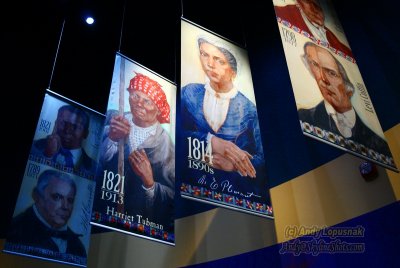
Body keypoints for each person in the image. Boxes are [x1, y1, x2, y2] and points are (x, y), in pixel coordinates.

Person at [181, 36, 267, 198]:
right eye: (204, 54)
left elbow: (263, 160)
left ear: (233, 72)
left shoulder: (250, 110)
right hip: (189, 190)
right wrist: (210, 142)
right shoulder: (189, 93)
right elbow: (175, 135)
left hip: (236, 195)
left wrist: (234, 165)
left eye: (219, 60)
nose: (210, 64)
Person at [99, 72, 175, 231]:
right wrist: (112, 138)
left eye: (147, 100)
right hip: (102, 214)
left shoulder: (165, 145)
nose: (139, 103)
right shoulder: (113, 119)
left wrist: (150, 182)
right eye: (135, 96)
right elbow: (91, 162)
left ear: (158, 110)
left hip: (137, 225)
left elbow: (172, 196)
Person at [298, 41, 391, 156]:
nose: (323, 80)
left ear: (349, 90)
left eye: (332, 73)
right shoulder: (303, 117)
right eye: (316, 67)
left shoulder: (379, 145)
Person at [6, 169, 86, 258]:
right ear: (37, 196)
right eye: (57, 197)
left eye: (70, 200)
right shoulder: (14, 232)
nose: (65, 206)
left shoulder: (78, 247)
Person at [31, 104, 97, 175]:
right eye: (63, 123)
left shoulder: (95, 168)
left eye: (75, 127)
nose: (67, 130)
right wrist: (47, 155)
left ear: (85, 133)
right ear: (55, 123)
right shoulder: (33, 148)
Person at [274, 0, 354, 58]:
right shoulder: (282, 15)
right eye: (308, 1)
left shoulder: (341, 47)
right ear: (298, 2)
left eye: (317, 2)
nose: (313, 6)